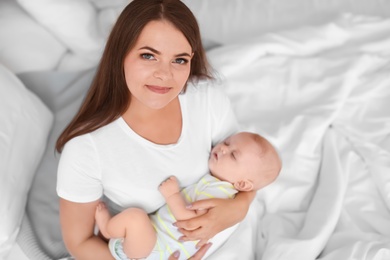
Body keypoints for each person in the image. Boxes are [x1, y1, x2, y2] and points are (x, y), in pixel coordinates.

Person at [56, 0, 256, 259]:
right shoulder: (86, 149)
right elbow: (79, 242)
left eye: (179, 60)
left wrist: (238, 209)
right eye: (148, 55)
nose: (165, 74)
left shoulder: (205, 98)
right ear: (120, 54)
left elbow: (248, 169)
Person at [95, 131, 282, 260]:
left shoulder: (221, 194)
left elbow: (191, 223)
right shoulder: (219, 186)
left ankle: (107, 229)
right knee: (136, 219)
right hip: (153, 245)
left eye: (233, 156)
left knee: (135, 217)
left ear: (242, 184)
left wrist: (172, 195)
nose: (223, 149)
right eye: (226, 142)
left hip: (153, 251)